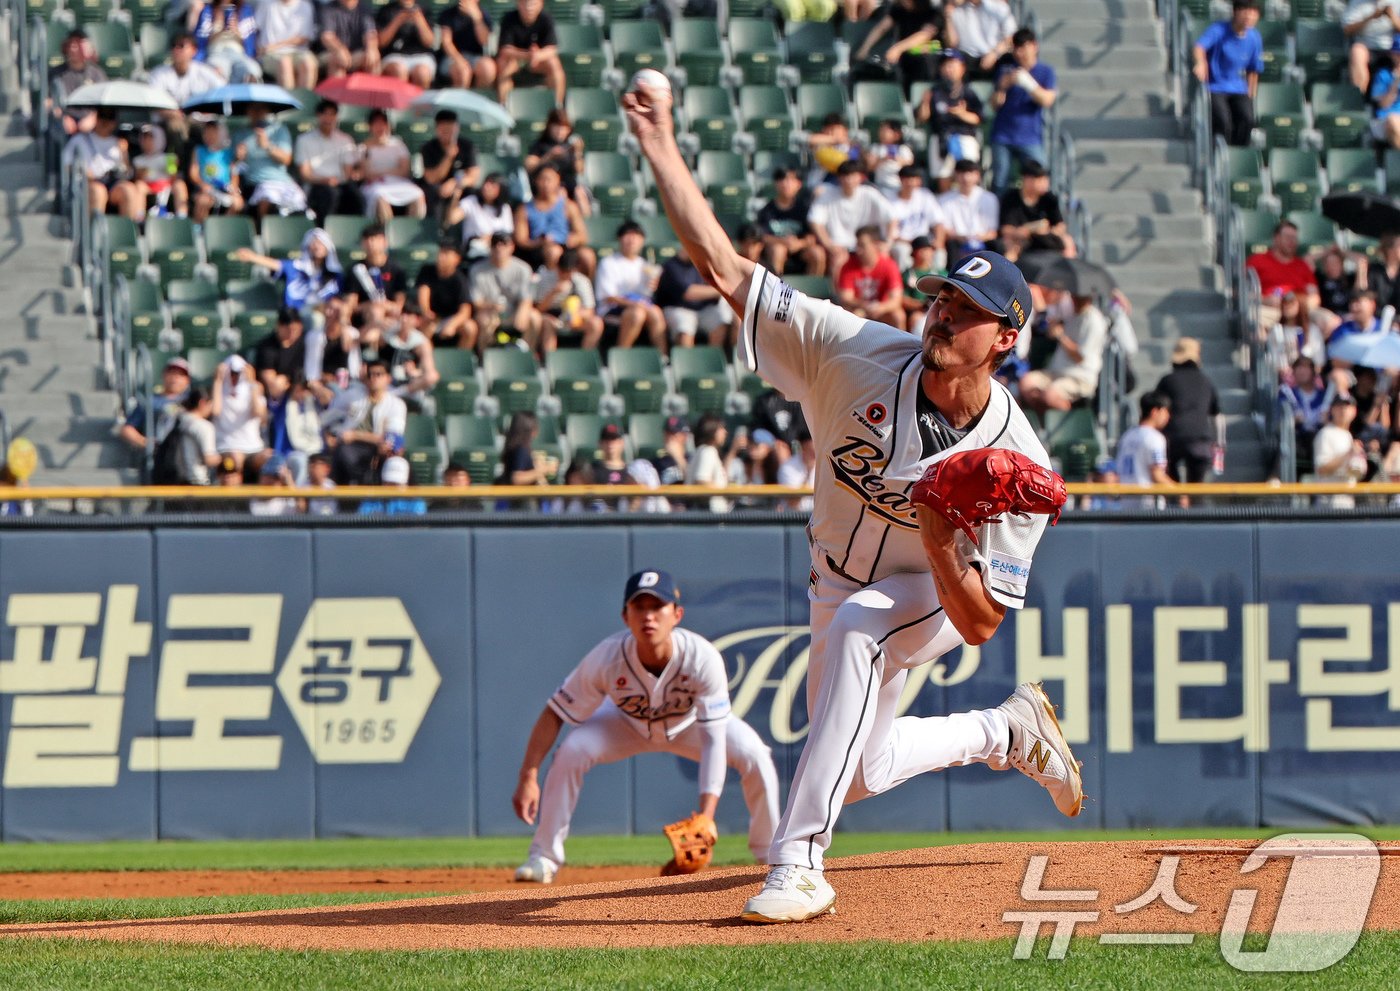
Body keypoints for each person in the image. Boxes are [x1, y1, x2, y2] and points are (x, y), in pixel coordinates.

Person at [621, 75, 1081, 923]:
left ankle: (797, 862)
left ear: (1006, 338)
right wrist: (659, 146)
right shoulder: (852, 350)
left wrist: (942, 531)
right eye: (944, 294)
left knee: (870, 625)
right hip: (831, 573)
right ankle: (1006, 731)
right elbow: (726, 270)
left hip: (934, 590)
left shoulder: (1018, 457)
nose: (944, 313)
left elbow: (981, 622)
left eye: (968, 308)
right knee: (859, 766)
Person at [512, 569, 780, 884]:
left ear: (677, 614)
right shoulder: (606, 658)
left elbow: (713, 741)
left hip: (689, 726)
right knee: (572, 750)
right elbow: (555, 712)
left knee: (756, 755)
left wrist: (706, 816)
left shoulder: (701, 658)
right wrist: (529, 775)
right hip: (624, 725)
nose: (648, 616)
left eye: (658, 606)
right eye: (639, 607)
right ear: (625, 616)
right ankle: (543, 857)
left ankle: (773, 857)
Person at [1153, 337, 1224, 498]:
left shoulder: (1167, 381)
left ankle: (1176, 508)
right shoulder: (1206, 382)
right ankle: (1195, 513)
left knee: (1172, 488)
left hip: (1173, 439)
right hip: (1200, 440)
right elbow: (1215, 413)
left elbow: (1156, 407)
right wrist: (1218, 444)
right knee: (1196, 490)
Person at [988, 28, 1056, 194]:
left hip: (1029, 136)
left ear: (1034, 46)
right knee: (1000, 182)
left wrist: (1028, 83)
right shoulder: (1006, 70)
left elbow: (1047, 100)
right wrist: (1002, 87)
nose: (1020, 53)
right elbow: (994, 104)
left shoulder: (1046, 72)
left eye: (1024, 47)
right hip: (1003, 135)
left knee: (1040, 177)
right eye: (1016, 49)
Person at [1192, 0, 1263, 148]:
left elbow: (1254, 69)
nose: (1249, 16)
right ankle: (1218, 154)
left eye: (1253, 13)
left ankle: (1237, 153)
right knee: (1223, 122)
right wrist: (1201, 63)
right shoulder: (1218, 30)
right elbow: (1199, 47)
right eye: (1245, 11)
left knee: (1248, 119)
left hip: (1238, 87)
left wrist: (1251, 94)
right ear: (1235, 12)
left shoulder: (1254, 37)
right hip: (1215, 87)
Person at [808, 160, 896, 278]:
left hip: (867, 244)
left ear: (860, 177)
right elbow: (816, 222)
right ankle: (837, 296)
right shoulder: (827, 194)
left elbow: (892, 217)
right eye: (845, 176)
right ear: (839, 178)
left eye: (853, 175)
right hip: (839, 245)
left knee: (883, 256)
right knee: (838, 261)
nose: (848, 180)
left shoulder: (870, 193)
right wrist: (829, 245)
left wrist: (888, 243)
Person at [326, 359, 407, 483]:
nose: (373, 378)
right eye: (370, 374)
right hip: (350, 445)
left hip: (379, 448)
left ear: (388, 378)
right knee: (343, 452)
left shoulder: (396, 404)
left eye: (378, 374)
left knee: (395, 458)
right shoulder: (352, 396)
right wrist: (328, 435)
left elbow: (392, 438)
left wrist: (356, 435)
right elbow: (327, 417)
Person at [234, 227, 344, 317]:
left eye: (321, 243)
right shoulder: (295, 267)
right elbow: (275, 264)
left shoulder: (336, 275)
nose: (316, 246)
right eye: (314, 243)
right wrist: (252, 257)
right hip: (295, 316)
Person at [594, 220, 665, 349]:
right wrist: (634, 304)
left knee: (656, 312)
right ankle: (621, 354)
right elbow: (608, 296)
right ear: (619, 239)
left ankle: (664, 359)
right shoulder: (608, 263)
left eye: (636, 236)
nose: (632, 240)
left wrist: (653, 285)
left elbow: (646, 293)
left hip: (639, 304)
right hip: (613, 308)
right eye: (628, 235)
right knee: (636, 314)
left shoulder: (644, 265)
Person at [62, 109, 144, 222]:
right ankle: (94, 234)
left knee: (129, 190)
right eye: (102, 117)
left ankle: (128, 234)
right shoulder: (79, 139)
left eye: (109, 118)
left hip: (112, 182)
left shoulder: (118, 143)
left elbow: (127, 171)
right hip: (89, 182)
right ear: (97, 119)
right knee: (98, 191)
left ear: (114, 122)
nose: (105, 122)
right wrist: (82, 171)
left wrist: (124, 153)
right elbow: (66, 163)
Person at [917, 50, 984, 183]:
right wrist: (924, 103)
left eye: (953, 65)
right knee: (944, 181)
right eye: (946, 65)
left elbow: (978, 119)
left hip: (964, 137)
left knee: (967, 178)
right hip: (941, 138)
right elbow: (922, 118)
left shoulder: (968, 92)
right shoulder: (934, 92)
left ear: (962, 68)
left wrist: (962, 114)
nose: (949, 69)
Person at [146, 32, 224, 146]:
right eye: (174, 46)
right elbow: (153, 102)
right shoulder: (159, 74)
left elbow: (222, 92)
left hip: (198, 119)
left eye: (181, 46)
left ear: (194, 50)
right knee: (176, 128)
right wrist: (173, 114)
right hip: (168, 120)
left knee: (209, 130)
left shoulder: (204, 72)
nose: (177, 50)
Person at [469, 232, 543, 351]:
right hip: (490, 312)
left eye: (504, 244)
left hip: (514, 311)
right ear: (490, 247)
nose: (499, 248)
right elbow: (476, 303)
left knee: (534, 317)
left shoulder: (523, 268)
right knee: (484, 320)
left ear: (511, 247)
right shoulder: (477, 270)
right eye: (495, 244)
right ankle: (486, 358)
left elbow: (527, 298)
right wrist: (492, 306)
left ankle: (528, 355)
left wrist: (522, 311)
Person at [514, 164, 591, 272]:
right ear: (536, 181)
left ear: (558, 181)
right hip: (537, 249)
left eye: (549, 179)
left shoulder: (569, 206)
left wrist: (571, 239)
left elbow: (582, 235)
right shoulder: (524, 209)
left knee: (587, 256)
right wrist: (539, 242)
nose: (546, 184)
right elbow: (521, 240)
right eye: (542, 179)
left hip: (565, 245)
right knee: (553, 252)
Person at [655, 244, 733, 349]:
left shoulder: (700, 264)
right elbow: (689, 293)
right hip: (678, 308)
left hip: (702, 309)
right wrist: (720, 290)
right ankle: (686, 362)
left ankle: (712, 361)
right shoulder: (671, 266)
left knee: (721, 318)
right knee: (685, 327)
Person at [295, 100, 362, 221]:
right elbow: (305, 174)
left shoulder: (345, 139)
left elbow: (347, 172)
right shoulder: (304, 140)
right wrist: (324, 180)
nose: (328, 118)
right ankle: (323, 230)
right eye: (325, 114)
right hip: (316, 184)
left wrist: (337, 180)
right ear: (318, 116)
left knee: (357, 196)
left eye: (332, 114)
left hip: (340, 183)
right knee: (330, 195)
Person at [235, 102, 303, 219]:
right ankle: (264, 232)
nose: (257, 113)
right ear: (247, 111)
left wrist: (267, 146)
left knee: (299, 205)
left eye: (260, 109)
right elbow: (234, 166)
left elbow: (286, 159)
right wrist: (238, 157)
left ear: (267, 111)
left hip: (282, 182)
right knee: (267, 198)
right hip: (255, 183)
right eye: (253, 109)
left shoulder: (279, 130)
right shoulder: (240, 134)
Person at [360, 108, 427, 222]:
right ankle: (389, 230)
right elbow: (366, 174)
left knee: (418, 194)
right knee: (380, 198)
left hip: (399, 183)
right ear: (370, 127)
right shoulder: (364, 147)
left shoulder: (398, 145)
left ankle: (411, 230)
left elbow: (404, 170)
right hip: (376, 186)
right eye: (376, 124)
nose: (380, 128)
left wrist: (383, 173)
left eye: (383, 123)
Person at [756, 167, 825, 277]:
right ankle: (777, 290)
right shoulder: (767, 210)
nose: (786, 184)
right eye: (782, 179)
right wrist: (784, 241)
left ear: (799, 184)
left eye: (791, 180)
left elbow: (812, 236)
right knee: (778, 250)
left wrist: (799, 243)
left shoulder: (804, 208)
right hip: (776, 247)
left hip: (801, 248)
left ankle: (811, 291)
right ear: (776, 184)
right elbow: (763, 236)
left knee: (818, 254)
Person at [495, 0, 565, 106]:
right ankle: (504, 106)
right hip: (516, 60)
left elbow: (552, 49)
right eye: (525, 3)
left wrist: (538, 55)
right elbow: (505, 49)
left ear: (541, 4)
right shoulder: (509, 18)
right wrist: (527, 55)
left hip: (537, 62)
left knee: (554, 64)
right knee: (504, 66)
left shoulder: (546, 19)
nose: (529, 7)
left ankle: (557, 106)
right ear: (518, 3)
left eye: (533, 4)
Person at [835, 225, 906, 330]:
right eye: (857, 245)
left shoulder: (889, 265)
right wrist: (865, 305)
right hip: (860, 309)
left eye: (862, 245)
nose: (858, 250)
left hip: (882, 309)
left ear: (875, 245)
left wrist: (881, 307)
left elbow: (896, 299)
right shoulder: (848, 266)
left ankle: (903, 345)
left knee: (898, 316)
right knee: (855, 315)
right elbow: (846, 297)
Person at [997, 159, 1071, 260]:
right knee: (1010, 247)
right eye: (1040, 179)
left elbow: (1060, 225)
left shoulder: (1049, 198)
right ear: (1027, 180)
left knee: (1068, 242)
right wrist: (1024, 231)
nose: (1044, 183)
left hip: (1046, 237)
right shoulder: (1011, 198)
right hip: (1021, 239)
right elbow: (1006, 229)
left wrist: (1047, 231)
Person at [536, 247, 604, 351]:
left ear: (575, 269)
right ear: (557, 267)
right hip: (552, 316)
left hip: (575, 317)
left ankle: (585, 358)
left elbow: (589, 310)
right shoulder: (546, 277)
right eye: (562, 271)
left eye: (569, 272)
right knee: (547, 323)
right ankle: (549, 360)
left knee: (596, 323)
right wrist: (554, 292)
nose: (565, 274)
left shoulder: (582, 281)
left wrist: (575, 315)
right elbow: (539, 309)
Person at [211, 354, 269, 475]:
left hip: (253, 447)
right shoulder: (219, 391)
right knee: (235, 458)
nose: (234, 377)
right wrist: (218, 381)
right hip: (227, 447)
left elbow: (258, 412)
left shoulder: (255, 389)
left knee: (270, 458)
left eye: (237, 373)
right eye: (231, 373)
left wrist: (252, 383)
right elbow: (215, 411)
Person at [416, 240, 477, 350]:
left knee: (470, 328)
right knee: (426, 326)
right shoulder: (427, 270)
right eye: (441, 252)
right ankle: (426, 361)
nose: (441, 257)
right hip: (432, 317)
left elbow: (465, 311)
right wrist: (426, 312)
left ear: (456, 259)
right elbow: (423, 292)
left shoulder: (460, 280)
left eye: (446, 253)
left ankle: (459, 361)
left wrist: (452, 324)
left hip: (451, 318)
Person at [526, 109, 588, 215]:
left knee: (580, 193)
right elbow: (529, 166)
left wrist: (578, 152)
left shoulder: (570, 146)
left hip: (570, 185)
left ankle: (586, 225)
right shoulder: (540, 144)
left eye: (564, 128)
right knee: (561, 193)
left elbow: (580, 170)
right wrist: (549, 156)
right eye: (557, 127)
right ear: (550, 126)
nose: (560, 131)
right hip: (547, 187)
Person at [1114, 392, 1172, 507]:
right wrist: (1181, 493)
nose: (1168, 416)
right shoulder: (1154, 438)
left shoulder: (1127, 436)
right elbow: (1157, 475)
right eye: (1165, 411)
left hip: (1126, 503)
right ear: (1155, 411)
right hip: (1147, 506)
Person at [419, 110, 479, 221]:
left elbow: (473, 176)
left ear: (456, 128)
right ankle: (435, 230)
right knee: (433, 192)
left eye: (450, 130)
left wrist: (456, 183)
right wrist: (448, 157)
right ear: (437, 129)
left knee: (474, 194)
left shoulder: (467, 146)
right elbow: (431, 178)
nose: (447, 134)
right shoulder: (428, 148)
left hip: (459, 186)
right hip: (436, 188)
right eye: (443, 130)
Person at [938, 158, 999, 265]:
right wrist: (960, 237)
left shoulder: (989, 198)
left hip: (983, 241)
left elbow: (992, 232)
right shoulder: (944, 200)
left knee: (998, 246)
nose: (966, 178)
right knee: (951, 245)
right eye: (962, 173)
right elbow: (944, 229)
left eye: (970, 173)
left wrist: (979, 237)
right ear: (955, 175)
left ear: (977, 175)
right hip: (957, 241)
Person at [346, 222, 409, 326]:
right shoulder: (356, 269)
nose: (371, 243)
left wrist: (384, 306)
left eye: (375, 239)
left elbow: (399, 303)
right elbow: (351, 305)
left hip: (391, 315)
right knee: (375, 311)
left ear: (384, 242)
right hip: (364, 316)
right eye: (367, 240)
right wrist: (372, 305)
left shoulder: (396, 269)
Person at [886, 165, 947, 271]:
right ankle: (905, 283)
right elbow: (891, 233)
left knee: (939, 253)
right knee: (901, 251)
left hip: (925, 241)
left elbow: (938, 223)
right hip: (903, 242)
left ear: (919, 181)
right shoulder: (890, 199)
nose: (910, 182)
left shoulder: (925, 196)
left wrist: (939, 241)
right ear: (900, 179)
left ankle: (939, 283)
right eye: (907, 178)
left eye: (914, 179)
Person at [48, 29, 105, 137]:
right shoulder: (56, 73)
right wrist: (62, 117)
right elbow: (49, 101)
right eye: (71, 45)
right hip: (65, 122)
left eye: (78, 45)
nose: (74, 49)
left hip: (90, 122)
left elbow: (103, 103)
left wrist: (93, 117)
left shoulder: (96, 73)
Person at [1314, 395, 1368, 506]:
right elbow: (1322, 469)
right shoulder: (1326, 434)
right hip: (1329, 501)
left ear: (1354, 411)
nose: (1343, 410)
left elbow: (1356, 474)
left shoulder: (1349, 436)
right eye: (1339, 407)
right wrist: (1348, 454)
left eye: (1347, 407)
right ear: (1332, 410)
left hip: (1347, 499)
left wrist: (1359, 464)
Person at [188, 119, 244, 222]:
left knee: (237, 203)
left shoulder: (228, 152)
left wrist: (233, 188)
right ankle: (200, 228)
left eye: (213, 133)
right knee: (203, 201)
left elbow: (234, 174)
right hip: (205, 190)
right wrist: (203, 185)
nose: (209, 136)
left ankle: (223, 227)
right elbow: (193, 173)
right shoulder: (199, 150)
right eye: (206, 133)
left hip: (224, 189)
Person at [194, 0, 262, 83]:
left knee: (252, 70)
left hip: (239, 53)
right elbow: (200, 42)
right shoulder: (208, 11)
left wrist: (237, 31)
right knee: (215, 71)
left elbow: (250, 44)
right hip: (216, 52)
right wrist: (219, 30)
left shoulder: (245, 10)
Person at [255, 0, 318, 89]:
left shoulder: (305, 6)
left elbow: (305, 37)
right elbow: (255, 27)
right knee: (285, 63)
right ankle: (290, 101)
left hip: (298, 51)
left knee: (309, 64)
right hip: (271, 54)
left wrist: (277, 45)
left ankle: (305, 99)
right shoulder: (266, 4)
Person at [948, 0, 1017, 79]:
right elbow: (952, 44)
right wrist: (948, 17)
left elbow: (1011, 37)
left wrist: (994, 54)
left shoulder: (998, 7)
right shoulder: (956, 11)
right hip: (968, 61)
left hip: (996, 57)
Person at [451, 172, 515, 258]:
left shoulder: (505, 208)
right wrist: (455, 197)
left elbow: (507, 233)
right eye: (486, 182)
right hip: (474, 253)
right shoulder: (471, 202)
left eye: (492, 184)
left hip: (497, 253)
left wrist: (490, 238)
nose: (486, 187)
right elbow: (452, 218)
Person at [376, 0, 437, 88]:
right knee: (399, 71)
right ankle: (401, 101)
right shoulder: (386, 10)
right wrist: (397, 21)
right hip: (394, 55)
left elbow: (429, 42)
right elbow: (382, 42)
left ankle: (421, 101)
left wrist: (419, 20)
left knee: (422, 73)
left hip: (421, 55)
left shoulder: (424, 9)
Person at [438, 0, 497, 90]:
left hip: (474, 56)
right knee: (463, 71)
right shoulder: (448, 14)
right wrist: (459, 60)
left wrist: (477, 19)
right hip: (451, 57)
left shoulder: (483, 14)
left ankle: (477, 99)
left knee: (488, 68)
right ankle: (460, 102)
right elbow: (446, 43)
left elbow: (484, 41)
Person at [1345, 0, 1400, 94]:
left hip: (1392, 47)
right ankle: (1359, 97)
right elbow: (1347, 30)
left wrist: (1392, 17)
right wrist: (1371, 17)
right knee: (1357, 51)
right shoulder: (1357, 2)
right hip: (1366, 46)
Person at [319, 0, 381, 78]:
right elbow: (327, 37)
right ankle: (337, 89)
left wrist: (371, 49)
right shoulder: (328, 9)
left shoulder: (364, 9)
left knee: (373, 57)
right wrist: (339, 50)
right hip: (331, 52)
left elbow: (370, 34)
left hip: (356, 53)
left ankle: (372, 89)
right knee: (337, 59)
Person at [1372, 37, 1400, 148]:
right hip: (1385, 119)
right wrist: (1396, 82)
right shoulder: (1383, 75)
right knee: (1393, 121)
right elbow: (1383, 105)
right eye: (1398, 54)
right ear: (1392, 55)